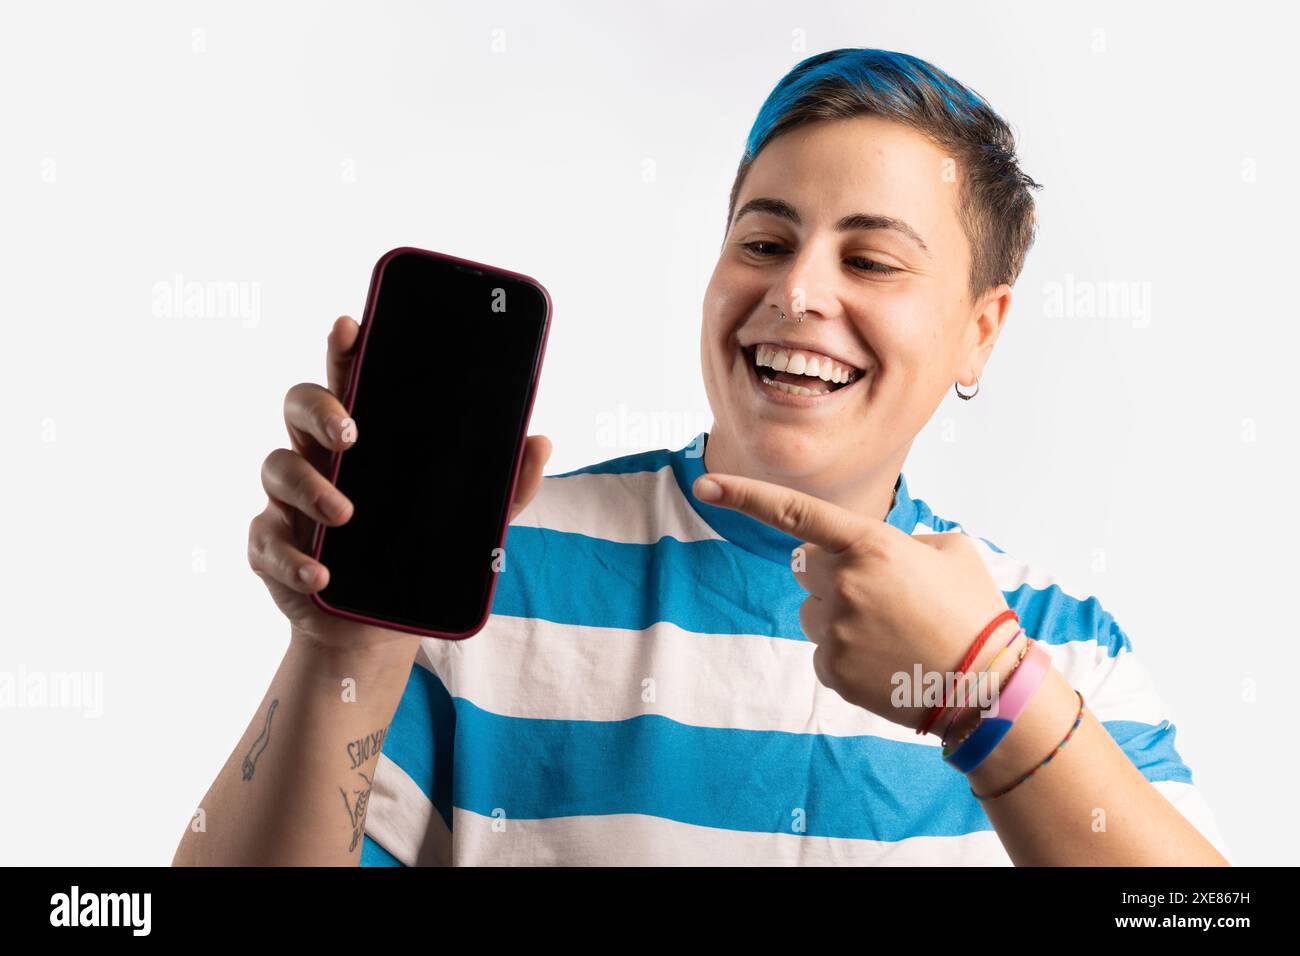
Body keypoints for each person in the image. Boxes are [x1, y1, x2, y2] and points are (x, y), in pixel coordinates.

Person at [173, 48, 1231, 866]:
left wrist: (985, 689)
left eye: (869, 258)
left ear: (980, 330)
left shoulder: (1065, 654)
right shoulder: (493, 572)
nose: (798, 291)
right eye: (764, 242)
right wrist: (343, 652)